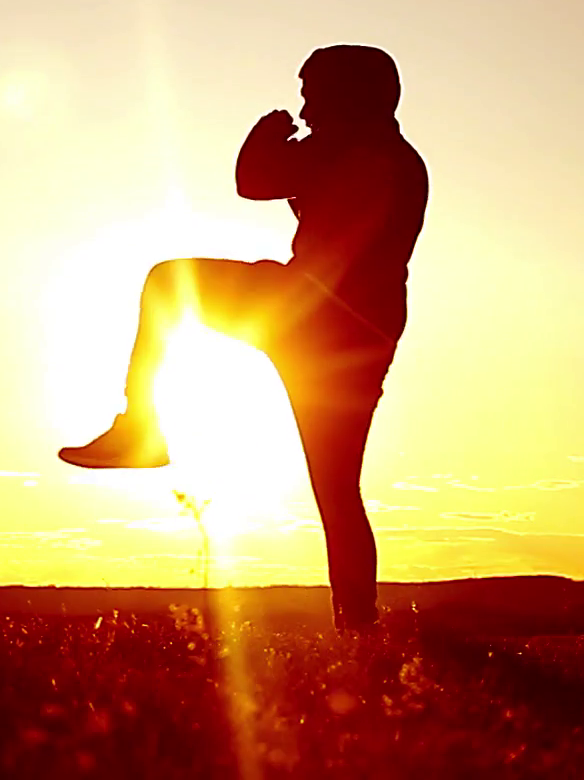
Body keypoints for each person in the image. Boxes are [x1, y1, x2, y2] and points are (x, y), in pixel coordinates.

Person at [58, 43, 429, 630]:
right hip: (359, 332)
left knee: (167, 284)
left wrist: (264, 134)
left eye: (312, 91)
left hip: (312, 311)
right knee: (337, 489)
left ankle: (140, 430)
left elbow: (252, 181)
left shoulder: (354, 148)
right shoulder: (390, 156)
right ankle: (358, 628)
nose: (304, 104)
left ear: (347, 93)